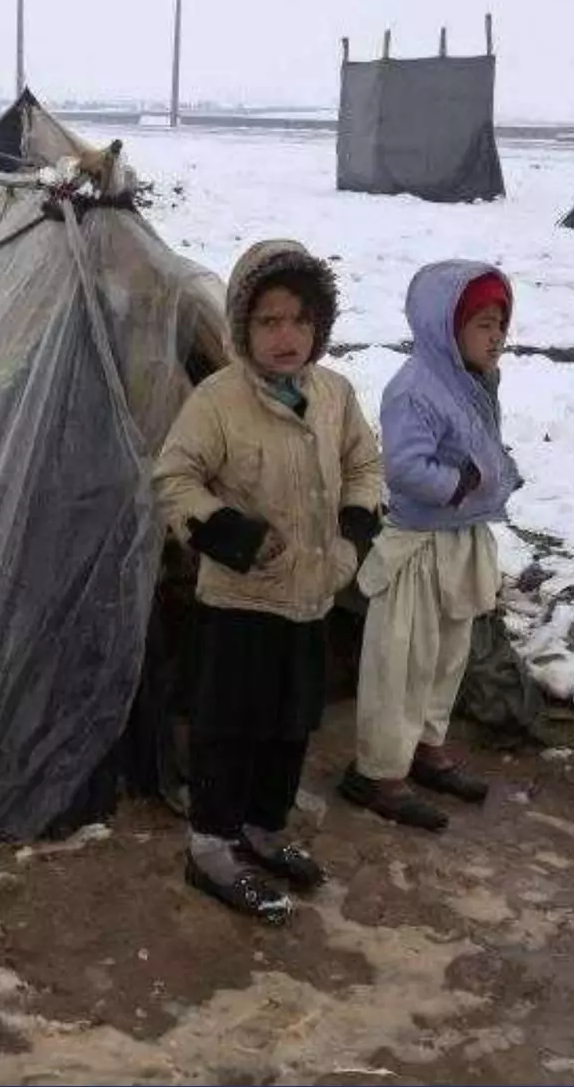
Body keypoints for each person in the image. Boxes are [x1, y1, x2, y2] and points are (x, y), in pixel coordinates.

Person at [152, 239, 384, 924]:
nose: (287, 337)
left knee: (291, 724)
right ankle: (211, 847)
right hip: (241, 601)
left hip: (311, 597)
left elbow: (365, 466)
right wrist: (231, 534)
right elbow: (174, 478)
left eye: (301, 321)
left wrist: (353, 532)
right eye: (270, 321)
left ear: (320, 326)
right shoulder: (219, 401)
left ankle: (263, 827)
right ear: (243, 327)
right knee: (230, 727)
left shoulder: (334, 395)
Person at [339, 262, 522, 833]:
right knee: (402, 660)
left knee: (447, 653)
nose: (497, 336)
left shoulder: (474, 380)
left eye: (501, 325)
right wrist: (458, 483)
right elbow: (404, 466)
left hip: (462, 538)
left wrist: (501, 475)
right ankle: (377, 771)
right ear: (447, 326)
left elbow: (482, 445)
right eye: (484, 324)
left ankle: (424, 746)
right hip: (417, 546)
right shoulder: (415, 387)